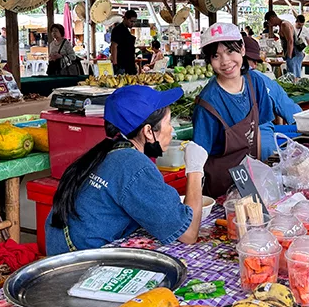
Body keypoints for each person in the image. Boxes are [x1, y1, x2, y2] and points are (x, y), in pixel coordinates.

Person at [45, 85, 205, 253]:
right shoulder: (133, 165)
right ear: (148, 131)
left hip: (61, 255)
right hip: (81, 267)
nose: (172, 130)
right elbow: (188, 233)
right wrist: (195, 169)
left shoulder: (106, 151)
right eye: (168, 122)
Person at [192, 23, 276, 197]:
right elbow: (197, 158)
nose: (225, 62)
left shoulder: (255, 83)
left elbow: (259, 129)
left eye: (230, 51)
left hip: (251, 178)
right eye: (216, 56)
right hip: (221, 187)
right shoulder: (208, 104)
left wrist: (260, 168)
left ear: (243, 49)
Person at [244, 36, 302, 126]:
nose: (255, 65)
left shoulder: (258, 78)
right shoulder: (259, 78)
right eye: (252, 60)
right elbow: (292, 112)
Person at [265, 10, 303, 78]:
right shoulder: (280, 25)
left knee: (294, 77)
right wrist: (270, 27)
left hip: (294, 53)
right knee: (291, 76)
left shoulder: (284, 24)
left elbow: (290, 41)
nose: (270, 23)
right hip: (291, 53)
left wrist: (289, 56)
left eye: (269, 21)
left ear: (273, 17)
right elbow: (271, 37)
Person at [111, 10, 138, 75]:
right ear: (125, 18)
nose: (133, 24)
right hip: (122, 65)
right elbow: (114, 46)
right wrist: (115, 64)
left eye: (134, 22)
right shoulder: (117, 30)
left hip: (130, 65)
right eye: (131, 21)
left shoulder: (127, 30)